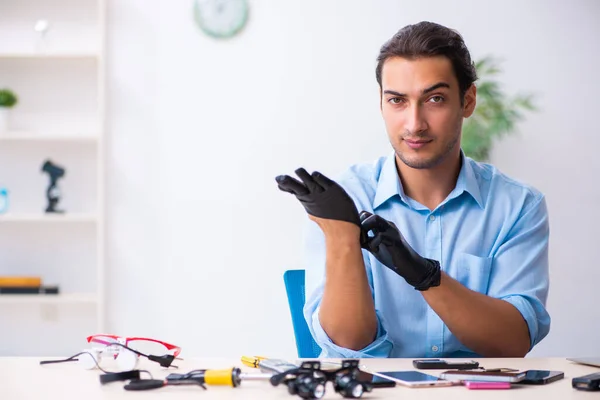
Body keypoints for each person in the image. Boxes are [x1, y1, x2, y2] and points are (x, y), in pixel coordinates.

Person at [275, 21, 550, 358]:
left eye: (434, 99)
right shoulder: (343, 198)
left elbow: (513, 341)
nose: (414, 123)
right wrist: (341, 237)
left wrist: (423, 275)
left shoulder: (518, 206)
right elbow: (349, 344)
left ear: (467, 101)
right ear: (381, 103)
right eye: (397, 101)